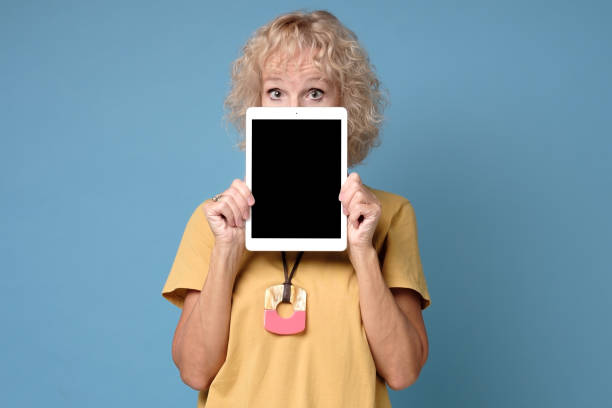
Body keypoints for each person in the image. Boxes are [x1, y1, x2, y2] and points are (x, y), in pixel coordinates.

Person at [161, 9, 431, 408]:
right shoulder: (215, 219)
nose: (294, 111)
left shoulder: (389, 216)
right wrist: (227, 251)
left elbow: (403, 371)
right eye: (276, 92)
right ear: (256, 104)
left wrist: (362, 250)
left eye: (315, 92)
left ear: (348, 104)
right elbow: (195, 371)